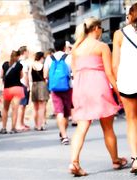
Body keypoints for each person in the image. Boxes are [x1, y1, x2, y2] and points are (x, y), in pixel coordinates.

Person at [69, 17, 127, 176]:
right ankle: (116, 160)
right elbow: (109, 73)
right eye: (101, 28)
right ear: (96, 29)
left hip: (81, 89)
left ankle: (74, 162)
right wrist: (118, 93)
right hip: (98, 87)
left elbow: (74, 73)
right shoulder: (101, 47)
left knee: (81, 128)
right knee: (108, 128)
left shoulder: (76, 49)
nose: (101, 31)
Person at [112, 3, 137, 174]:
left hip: (128, 83)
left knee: (132, 121)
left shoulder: (119, 34)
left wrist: (116, 86)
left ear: (130, 15)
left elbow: (115, 64)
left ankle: (136, 159)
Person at [44, 41, 72, 145]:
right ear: (64, 47)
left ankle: (64, 136)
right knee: (66, 113)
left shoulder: (49, 58)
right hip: (67, 87)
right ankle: (63, 132)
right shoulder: (69, 57)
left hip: (55, 88)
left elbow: (45, 75)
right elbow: (73, 72)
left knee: (59, 111)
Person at [0, 50, 24, 134]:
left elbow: (1, 75)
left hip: (7, 89)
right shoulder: (19, 65)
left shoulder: (5, 65)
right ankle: (13, 128)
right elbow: (21, 76)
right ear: (17, 57)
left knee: (5, 109)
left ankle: (4, 128)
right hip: (17, 88)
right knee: (15, 109)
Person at [29, 52, 49, 131]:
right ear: (41, 58)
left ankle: (36, 124)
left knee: (35, 107)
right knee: (42, 107)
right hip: (42, 85)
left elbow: (30, 77)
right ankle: (40, 125)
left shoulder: (32, 65)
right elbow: (45, 76)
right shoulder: (43, 66)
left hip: (34, 85)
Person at [16, 46, 30, 132]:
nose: (28, 53)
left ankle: (21, 123)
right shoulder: (24, 63)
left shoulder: (18, 62)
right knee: (22, 105)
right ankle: (19, 124)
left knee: (22, 105)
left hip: (18, 84)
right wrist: (28, 85)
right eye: (27, 51)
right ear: (24, 52)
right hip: (23, 84)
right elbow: (25, 75)